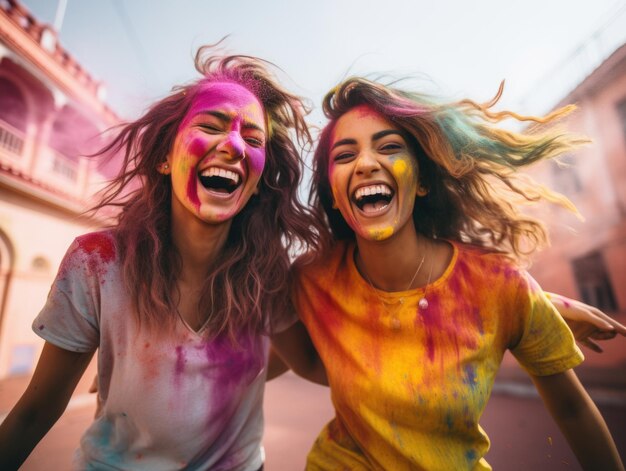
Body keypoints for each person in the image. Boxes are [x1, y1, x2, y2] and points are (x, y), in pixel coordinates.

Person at [0, 47, 323, 470]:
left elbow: (312, 363)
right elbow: (34, 411)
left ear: (259, 180)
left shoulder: (270, 273)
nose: (234, 146)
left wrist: (225, 376)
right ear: (165, 158)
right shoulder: (96, 262)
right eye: (211, 125)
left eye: (253, 139)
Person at [290, 77, 625, 470]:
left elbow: (571, 409)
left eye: (390, 147)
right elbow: (296, 360)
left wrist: (540, 304)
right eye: (345, 155)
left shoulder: (500, 286)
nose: (365, 164)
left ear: (423, 182)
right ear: (332, 191)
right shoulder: (312, 279)